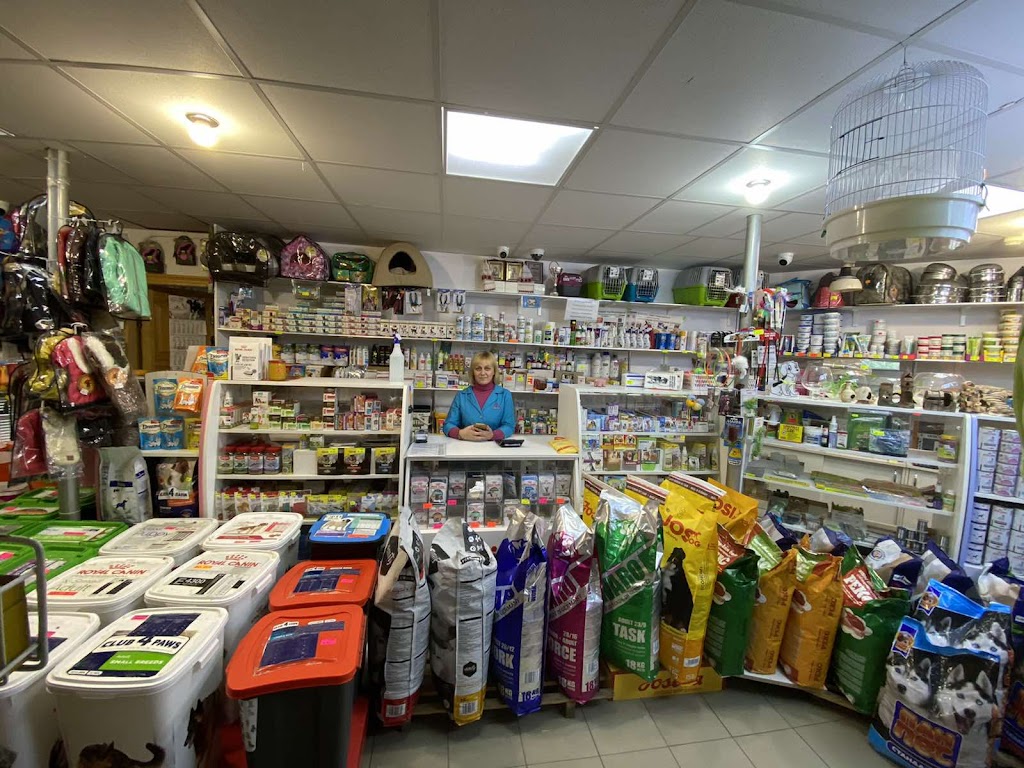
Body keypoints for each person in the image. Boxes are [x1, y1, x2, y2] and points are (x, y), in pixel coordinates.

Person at [442, 350, 515, 442]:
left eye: (487, 369)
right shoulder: (462, 396)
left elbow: (509, 426)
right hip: (466, 446)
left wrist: (493, 435)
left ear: (494, 372)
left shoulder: (504, 395)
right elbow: (448, 425)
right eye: (478, 369)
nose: (482, 373)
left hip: (494, 446)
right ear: (472, 372)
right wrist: (460, 433)